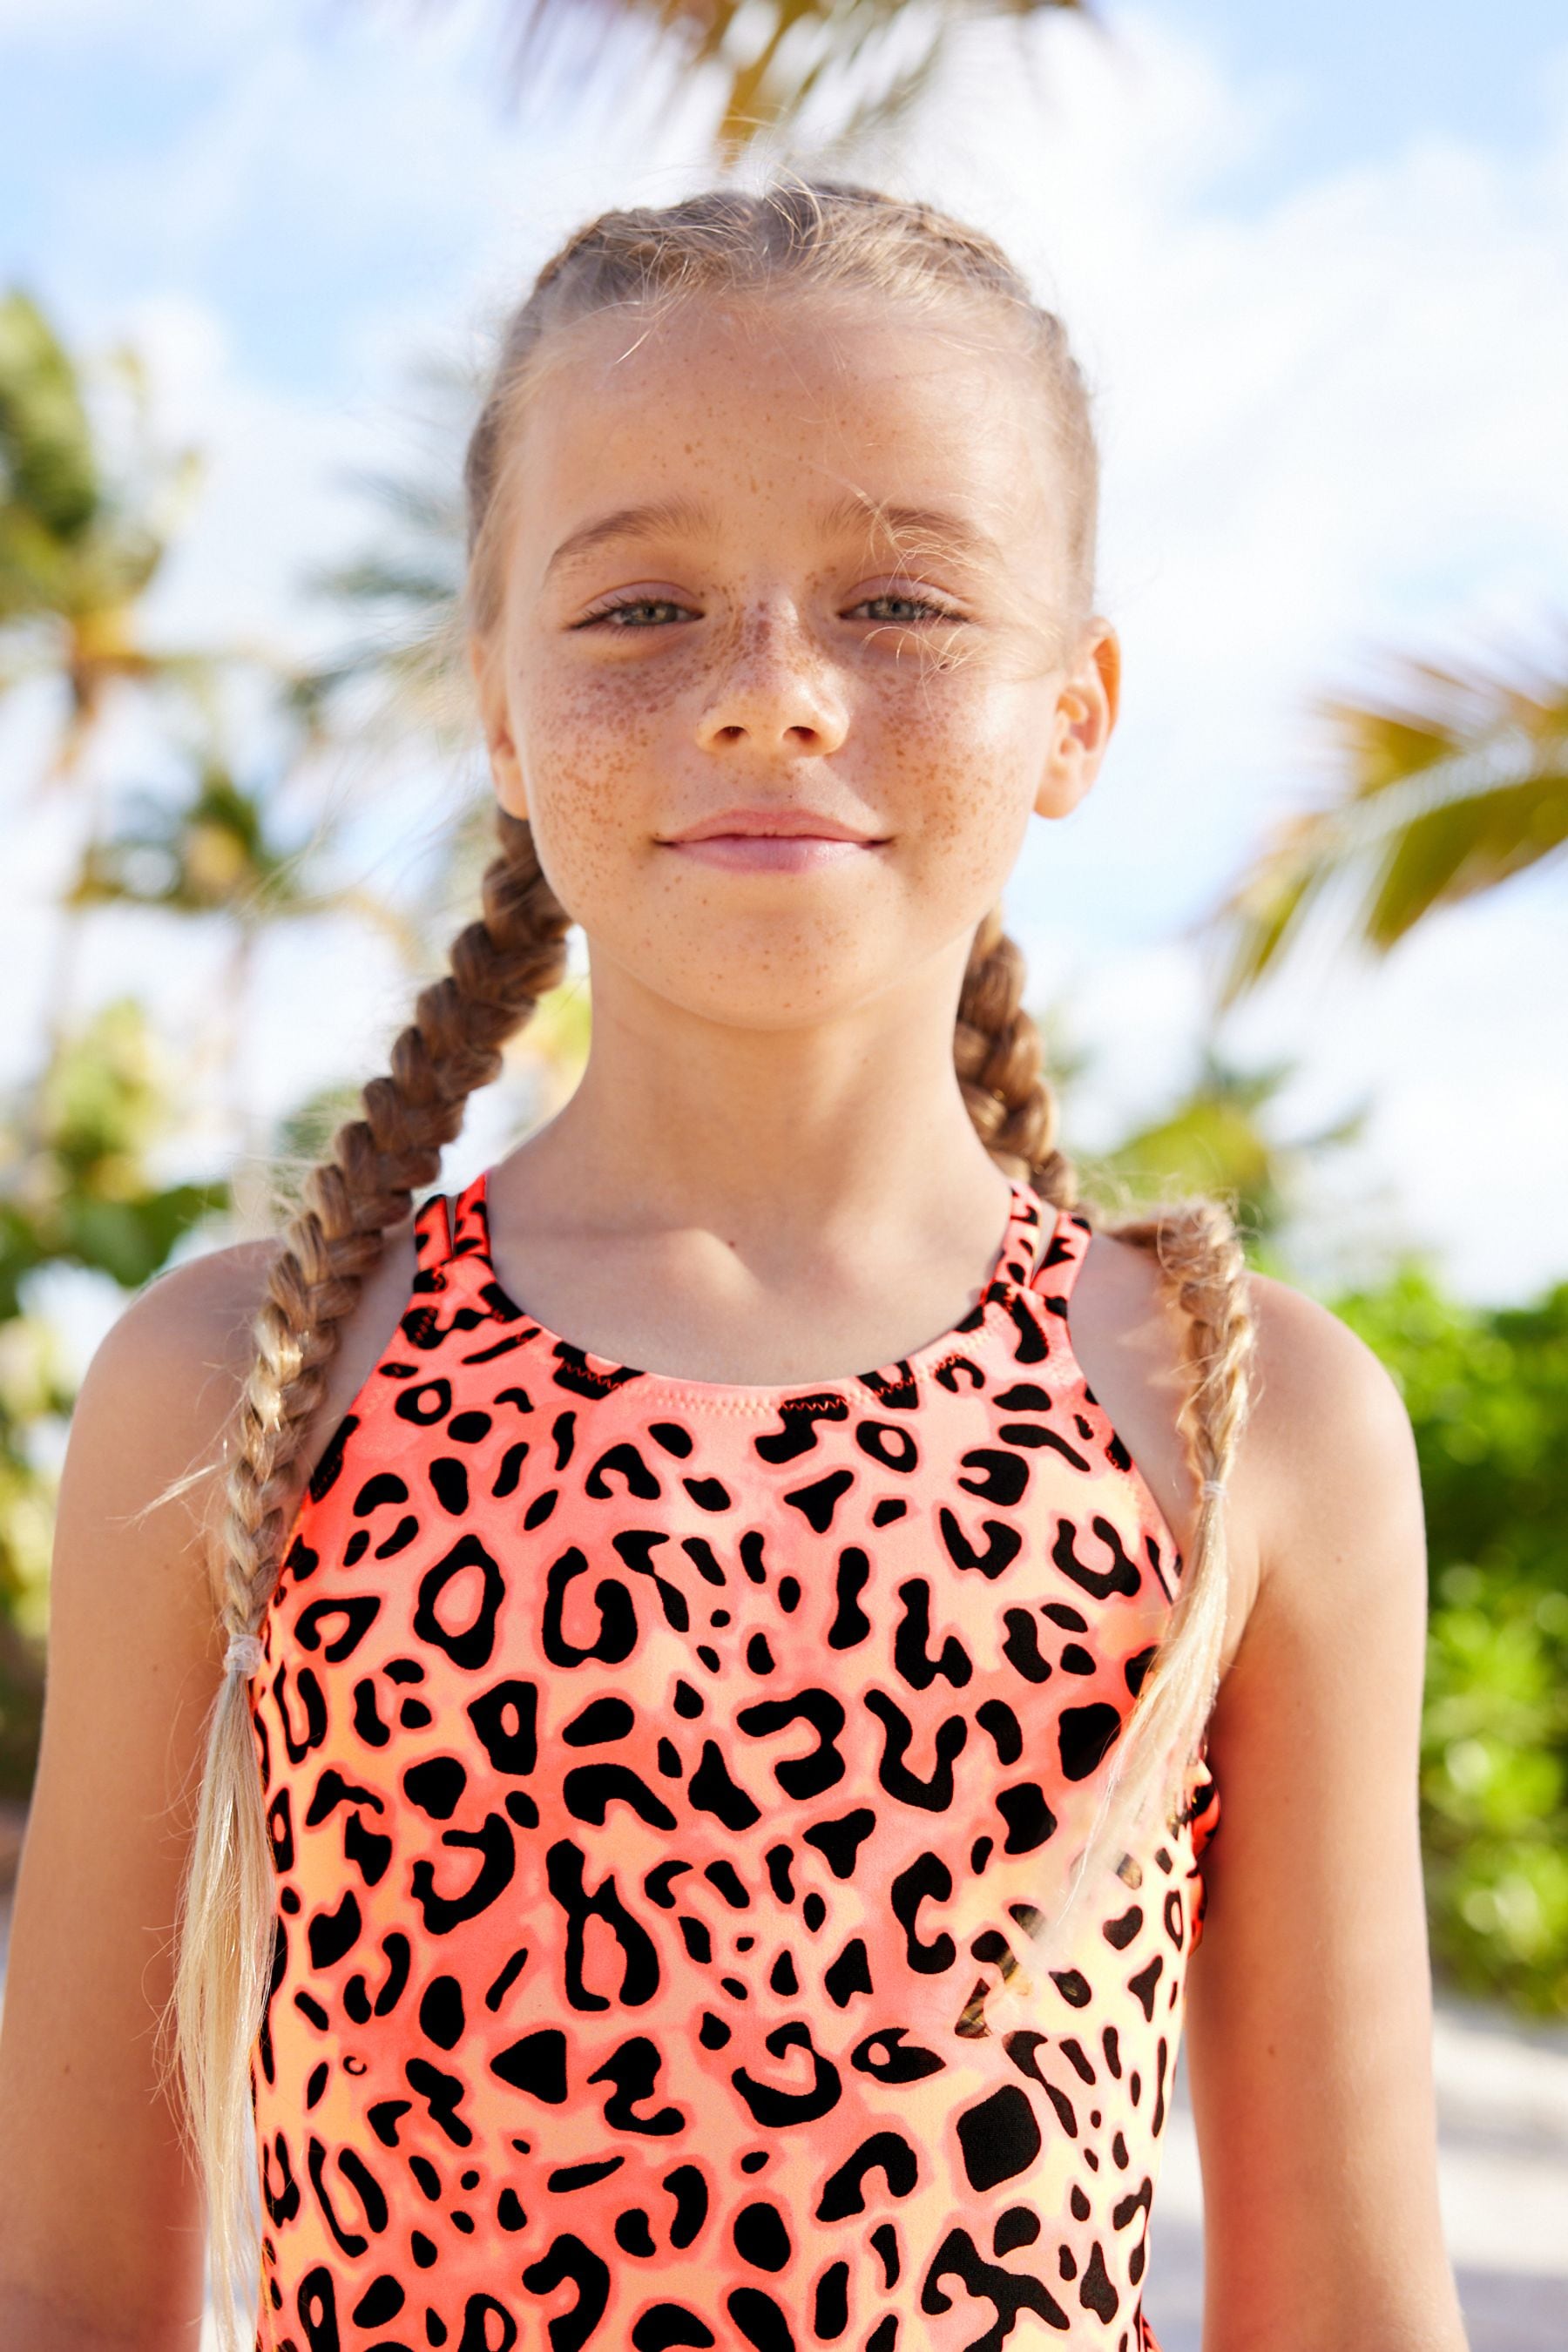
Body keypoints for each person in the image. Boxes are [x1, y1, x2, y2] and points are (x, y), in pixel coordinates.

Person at [0, 177, 1468, 2352]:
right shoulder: (234, 1385)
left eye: (898, 603)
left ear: (1078, 711)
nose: (774, 694)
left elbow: (1348, 2310)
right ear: (499, 712)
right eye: (638, 611)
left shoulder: (1251, 1415)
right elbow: (60, 2290)